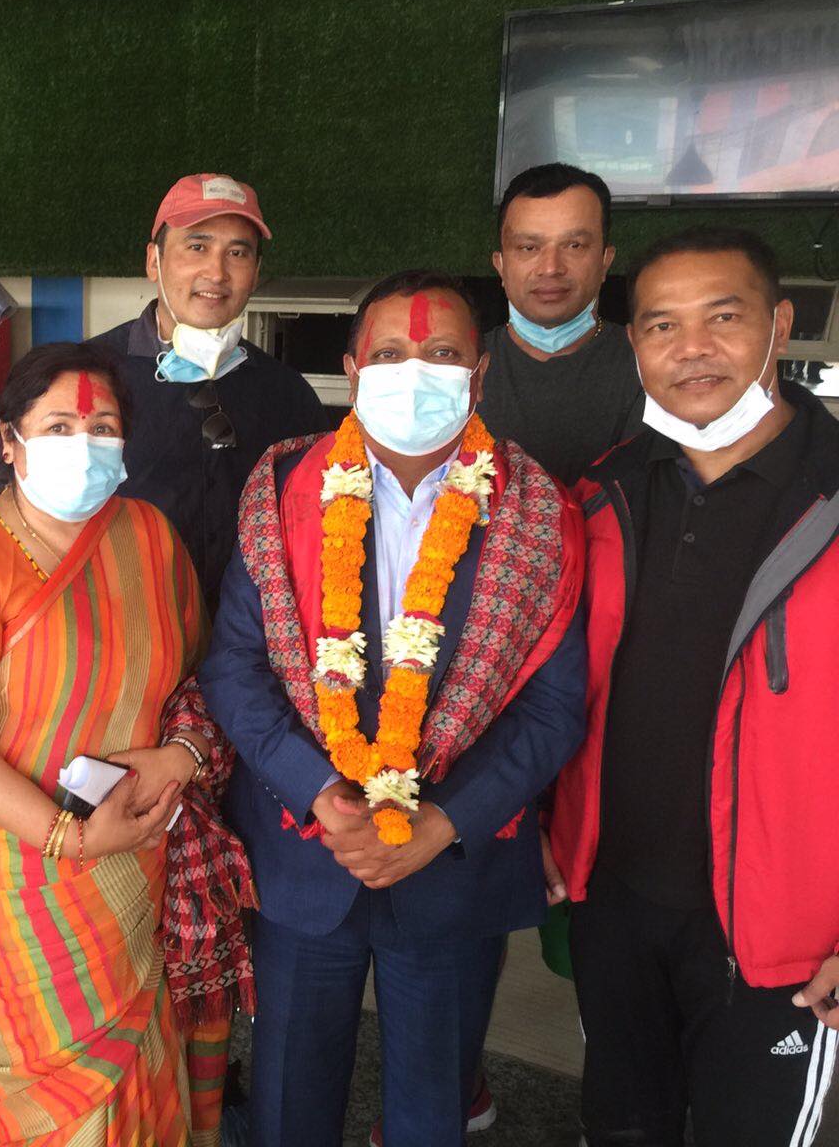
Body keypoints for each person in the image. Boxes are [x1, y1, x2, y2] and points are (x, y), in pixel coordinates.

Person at [200, 271, 588, 1147]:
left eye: (442, 353)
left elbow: (553, 709)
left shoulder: (538, 512)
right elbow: (234, 669)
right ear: (351, 369)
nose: (415, 372)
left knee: (430, 1113)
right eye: (389, 353)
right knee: (289, 1106)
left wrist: (442, 823)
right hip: (305, 853)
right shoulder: (283, 486)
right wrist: (318, 791)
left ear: (479, 375)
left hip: (455, 868)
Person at [0, 342, 256, 1147]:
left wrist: (182, 756)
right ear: (10, 441)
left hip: (145, 854)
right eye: (58, 425)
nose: (83, 443)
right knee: (51, 1086)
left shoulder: (149, 536)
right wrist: (71, 836)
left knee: (148, 1049)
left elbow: (202, 677)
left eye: (102, 428)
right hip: (27, 872)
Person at [548, 226, 839, 1146]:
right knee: (621, 1126)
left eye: (724, 317)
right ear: (635, 345)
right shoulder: (603, 494)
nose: (692, 349)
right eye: (663, 326)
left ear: (779, 325)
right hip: (616, 906)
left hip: (781, 936)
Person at [86, 173, 328, 614]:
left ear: (256, 273)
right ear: (154, 261)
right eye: (197, 247)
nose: (216, 272)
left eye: (237, 253)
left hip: (249, 638)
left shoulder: (288, 395)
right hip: (120, 631)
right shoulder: (85, 376)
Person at [480, 162, 644, 483]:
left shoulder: (650, 366)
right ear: (501, 265)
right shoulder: (461, 371)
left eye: (574, 245)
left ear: (605, 261)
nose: (551, 267)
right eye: (529, 247)